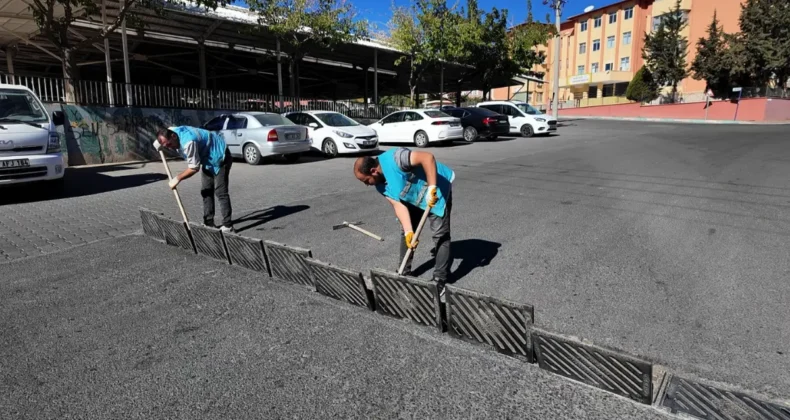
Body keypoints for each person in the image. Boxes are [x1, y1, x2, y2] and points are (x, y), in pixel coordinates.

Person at [354, 148, 455, 293]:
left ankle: (440, 279)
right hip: (414, 196)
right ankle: (403, 272)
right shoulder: (380, 185)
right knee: (407, 233)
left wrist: (432, 187)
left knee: (440, 235)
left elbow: (428, 158)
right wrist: (409, 232)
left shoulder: (397, 158)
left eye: (365, 180)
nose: (366, 184)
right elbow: (398, 205)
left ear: (373, 171)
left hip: (436, 190)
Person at [154, 126, 234, 233]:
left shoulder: (189, 142)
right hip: (207, 159)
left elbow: (194, 168)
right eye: (166, 146)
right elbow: (165, 132)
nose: (169, 148)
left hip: (220, 155)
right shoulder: (171, 131)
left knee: (220, 192)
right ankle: (209, 223)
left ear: (173, 136)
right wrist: (159, 143)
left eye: (169, 144)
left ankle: (228, 226)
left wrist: (178, 178)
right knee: (206, 191)